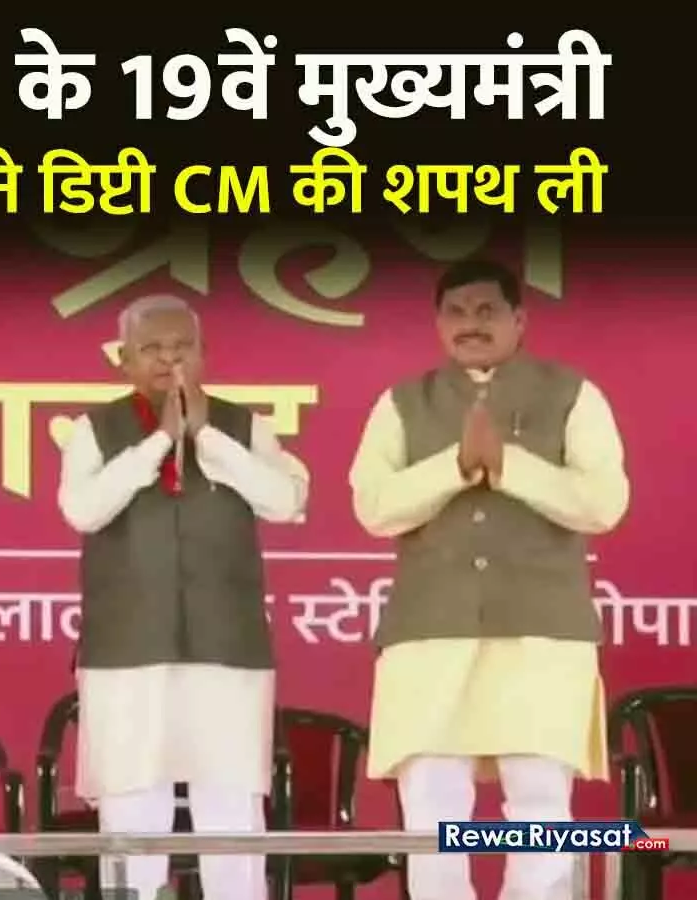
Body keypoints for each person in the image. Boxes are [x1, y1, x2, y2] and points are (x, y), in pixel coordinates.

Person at [349, 258, 630, 900]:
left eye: (486, 311)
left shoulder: (573, 394)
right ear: (438, 323)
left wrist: (510, 465)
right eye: (456, 312)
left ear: (519, 320)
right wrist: (455, 465)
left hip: (542, 631)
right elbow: (374, 507)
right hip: (429, 633)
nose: (470, 324)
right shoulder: (402, 402)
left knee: (540, 804)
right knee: (433, 808)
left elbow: (603, 504)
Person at [56, 294, 309, 900]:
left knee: (231, 814)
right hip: (127, 654)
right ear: (124, 361)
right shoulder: (94, 430)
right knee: (132, 814)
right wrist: (158, 443)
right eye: (152, 349)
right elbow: (83, 510)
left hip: (228, 650)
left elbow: (285, 501)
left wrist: (206, 438)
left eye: (182, 347)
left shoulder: (245, 426)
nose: (170, 361)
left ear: (204, 354)